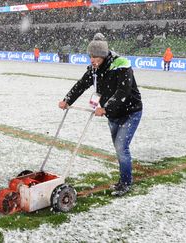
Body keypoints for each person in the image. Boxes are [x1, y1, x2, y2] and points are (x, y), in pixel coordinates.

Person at [58, 33, 143, 197]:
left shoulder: (121, 65)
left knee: (121, 147)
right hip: (113, 114)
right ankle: (122, 179)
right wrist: (67, 100)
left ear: (104, 55)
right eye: (91, 56)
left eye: (96, 56)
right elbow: (81, 85)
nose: (92, 59)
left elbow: (123, 91)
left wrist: (106, 108)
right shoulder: (94, 70)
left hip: (130, 111)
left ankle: (125, 183)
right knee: (120, 148)